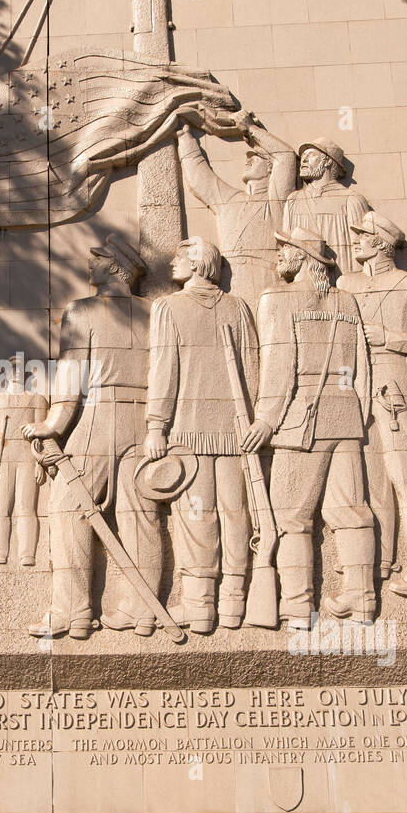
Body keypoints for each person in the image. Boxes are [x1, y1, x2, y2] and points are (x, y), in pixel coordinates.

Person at [23, 235, 162, 640]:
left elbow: (72, 373)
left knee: (69, 510)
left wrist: (55, 424)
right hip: (143, 416)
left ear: (116, 266)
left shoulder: (81, 311)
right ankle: (143, 612)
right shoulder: (156, 313)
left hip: (95, 417)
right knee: (142, 516)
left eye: (97, 259)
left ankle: (73, 612)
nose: (90, 263)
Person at [241, 225, 376, 626]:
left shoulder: (277, 299)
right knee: (351, 511)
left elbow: (280, 365)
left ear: (302, 257)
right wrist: (358, 413)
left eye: (285, 248)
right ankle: (363, 599)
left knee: (291, 518)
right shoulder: (347, 302)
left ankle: (298, 606)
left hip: (301, 422)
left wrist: (267, 418)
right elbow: (363, 369)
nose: (278, 254)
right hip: (347, 418)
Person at [144, 236, 258, 633]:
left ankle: (200, 607)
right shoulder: (238, 307)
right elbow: (254, 372)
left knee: (197, 518)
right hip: (236, 431)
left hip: (188, 431)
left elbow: (164, 369)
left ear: (197, 264)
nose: (172, 263)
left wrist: (156, 425)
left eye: (179, 257)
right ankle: (233, 605)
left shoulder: (169, 308)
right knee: (234, 514)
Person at [339, 211, 407, 596]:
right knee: (367, 479)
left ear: (381, 243)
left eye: (362, 236)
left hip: (397, 384)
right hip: (354, 386)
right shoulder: (346, 285)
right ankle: (378, 561)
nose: (355, 241)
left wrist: (388, 336)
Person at [176, 113, 297, 307]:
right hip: (229, 284)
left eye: (256, 159)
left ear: (269, 168)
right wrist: (184, 138)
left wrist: (250, 129)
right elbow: (200, 179)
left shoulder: (276, 202)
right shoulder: (231, 200)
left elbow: (286, 156)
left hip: (265, 282)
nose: (248, 161)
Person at [281, 137, 370, 278]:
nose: (303, 161)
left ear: (328, 161)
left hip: (341, 279)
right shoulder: (293, 200)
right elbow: (286, 246)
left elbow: (361, 249)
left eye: (310, 155)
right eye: (303, 156)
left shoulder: (351, 199)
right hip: (304, 280)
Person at [0, 354, 48, 566]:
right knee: (0, 507)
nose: (15, 371)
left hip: (26, 456)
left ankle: (27, 553)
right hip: (4, 456)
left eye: (19, 367)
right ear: (5, 371)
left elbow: (43, 435)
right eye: (12, 367)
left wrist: (39, 462)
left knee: (26, 506)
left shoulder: (37, 400)